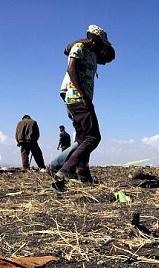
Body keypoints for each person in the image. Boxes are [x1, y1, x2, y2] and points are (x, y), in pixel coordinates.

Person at [55, 24, 114, 184]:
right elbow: (71, 68)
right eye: (102, 44)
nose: (103, 49)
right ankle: (65, 170)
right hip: (77, 98)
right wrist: (83, 96)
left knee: (82, 139)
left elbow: (108, 57)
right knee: (93, 137)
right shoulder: (79, 47)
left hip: (81, 98)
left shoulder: (92, 53)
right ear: (95, 40)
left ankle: (82, 173)